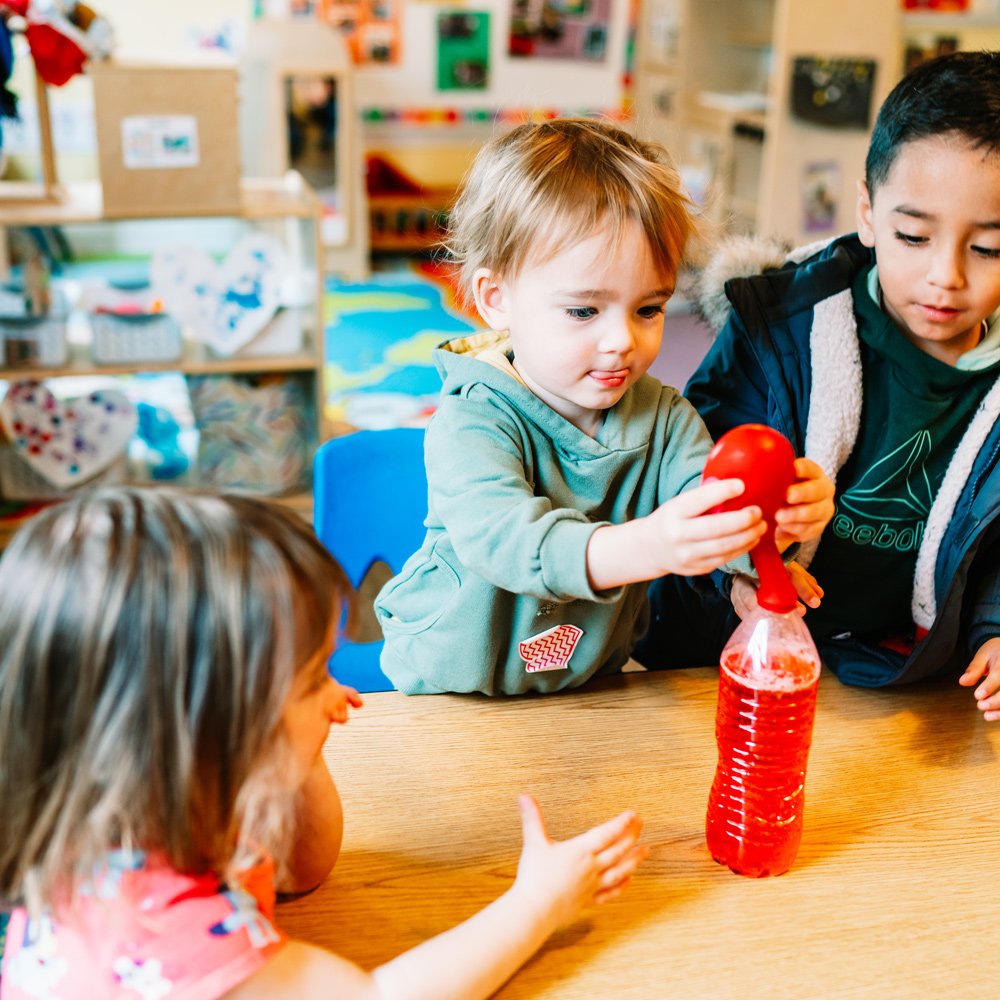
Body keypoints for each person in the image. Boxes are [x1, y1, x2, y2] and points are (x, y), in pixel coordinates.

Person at [0, 486, 649, 998]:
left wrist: (298, 744)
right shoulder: (162, 929)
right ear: (220, 732)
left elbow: (304, 871)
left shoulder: (162, 797)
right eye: (314, 678)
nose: (336, 692)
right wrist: (536, 904)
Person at [375, 118, 834, 696]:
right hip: (450, 689)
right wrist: (652, 545)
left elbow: (707, 512)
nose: (622, 340)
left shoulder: (664, 418)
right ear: (497, 300)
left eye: (648, 309)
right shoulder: (472, 418)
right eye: (584, 312)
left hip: (590, 689)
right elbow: (510, 542)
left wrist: (770, 525)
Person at [635, 51, 1000, 723]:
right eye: (914, 236)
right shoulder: (781, 326)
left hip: (899, 682)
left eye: (988, 249)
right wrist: (743, 560)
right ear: (866, 211)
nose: (945, 276)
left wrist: (994, 629)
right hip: (729, 656)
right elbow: (695, 472)